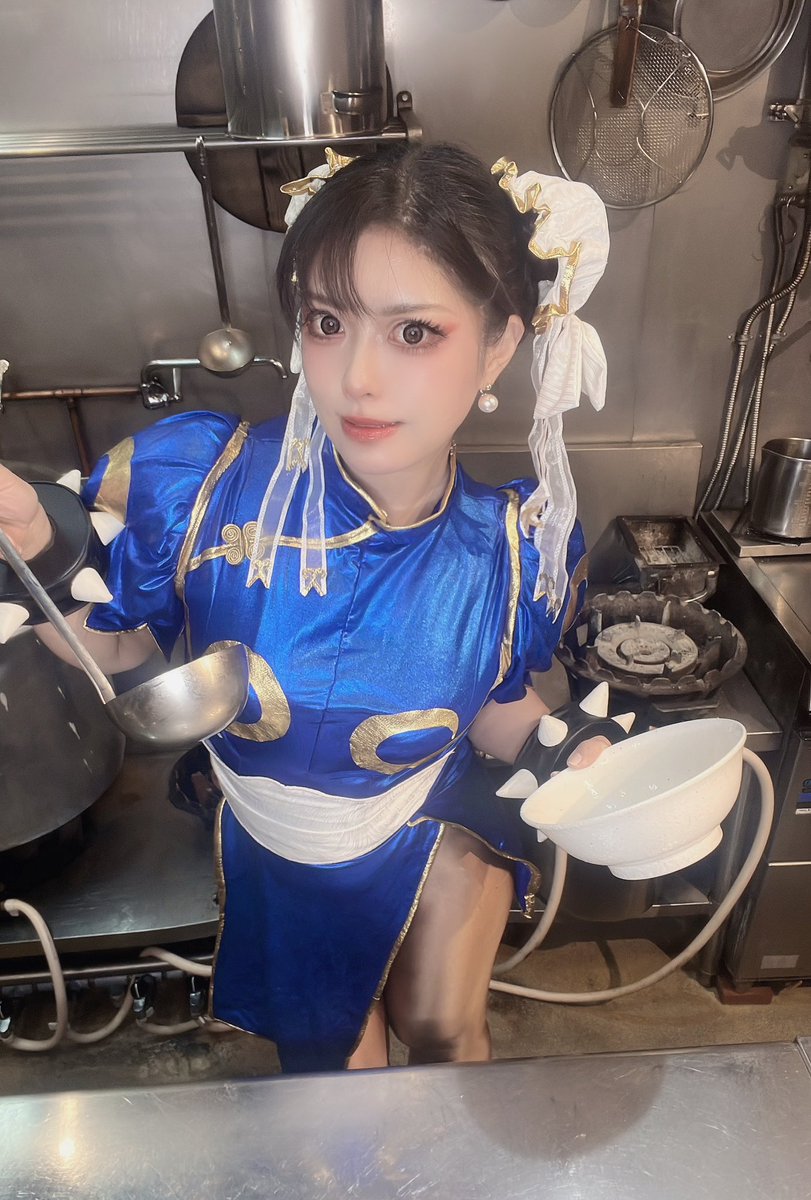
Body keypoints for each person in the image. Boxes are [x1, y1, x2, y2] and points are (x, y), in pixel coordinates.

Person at [0, 142, 610, 1073]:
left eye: (415, 332)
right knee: (336, 1071)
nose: (357, 377)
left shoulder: (511, 546)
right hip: (283, 850)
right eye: (328, 321)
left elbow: (489, 701)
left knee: (446, 1033)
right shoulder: (204, 486)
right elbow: (111, 649)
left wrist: (565, 750)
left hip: (428, 819)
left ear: (498, 345)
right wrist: (38, 546)